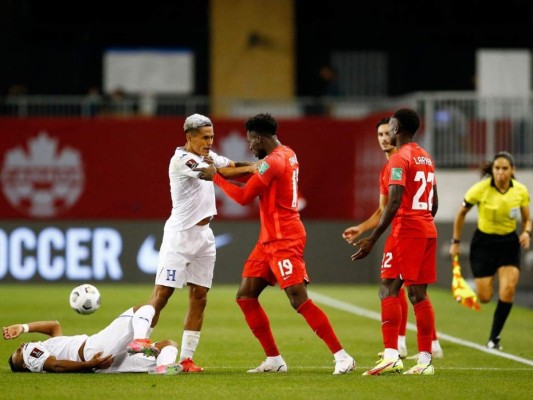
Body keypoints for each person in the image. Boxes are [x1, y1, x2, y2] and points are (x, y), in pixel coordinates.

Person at [197, 113, 356, 375]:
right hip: (268, 239)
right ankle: (274, 359)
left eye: (251, 141)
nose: (249, 146)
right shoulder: (287, 154)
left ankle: (342, 356)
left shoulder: (273, 162)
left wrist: (216, 178)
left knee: (297, 299)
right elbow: (255, 175)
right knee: (246, 296)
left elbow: (244, 197)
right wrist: (222, 170)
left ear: (259, 138)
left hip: (285, 238)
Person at [147, 113, 256, 373]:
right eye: (205, 137)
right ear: (190, 137)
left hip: (205, 236)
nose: (210, 141)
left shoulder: (209, 156)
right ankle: (137, 344)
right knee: (163, 294)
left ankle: (186, 360)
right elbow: (216, 174)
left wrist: (257, 165)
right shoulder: (182, 160)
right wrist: (257, 167)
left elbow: (231, 165)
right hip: (179, 236)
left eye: (212, 137)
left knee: (200, 296)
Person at [342, 117, 443, 360]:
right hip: (425, 228)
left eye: (389, 131)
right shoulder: (425, 157)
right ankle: (426, 354)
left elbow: (393, 204)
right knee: (415, 291)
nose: (385, 137)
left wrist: (372, 239)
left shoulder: (399, 160)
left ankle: (393, 352)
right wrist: (363, 229)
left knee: (390, 287)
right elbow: (432, 201)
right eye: (380, 134)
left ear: (396, 130)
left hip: (406, 230)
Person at [449, 151, 531, 350]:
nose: (500, 172)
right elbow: (461, 213)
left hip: (508, 244)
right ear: (492, 170)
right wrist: (456, 241)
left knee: (508, 290)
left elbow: (527, 217)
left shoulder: (520, 190)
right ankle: (482, 283)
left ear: (512, 170)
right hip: (484, 244)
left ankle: (494, 338)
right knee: (485, 296)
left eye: (505, 168)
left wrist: (527, 232)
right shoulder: (480, 189)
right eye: (497, 168)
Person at [3, 304, 181, 374]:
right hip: (94, 350)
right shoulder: (31, 355)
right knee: (144, 308)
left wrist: (23, 327)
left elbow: (54, 326)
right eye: (19, 352)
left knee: (167, 345)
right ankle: (140, 340)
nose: (21, 345)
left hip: (104, 361)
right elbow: (55, 365)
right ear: (26, 364)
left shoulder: (50, 345)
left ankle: (162, 369)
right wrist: (89, 364)